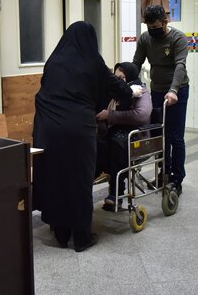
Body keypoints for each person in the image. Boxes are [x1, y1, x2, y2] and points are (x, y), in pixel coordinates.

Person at [32, 21, 137, 252]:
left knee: (56, 178)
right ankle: (81, 237)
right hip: (77, 129)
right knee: (79, 180)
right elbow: (116, 88)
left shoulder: (54, 60)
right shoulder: (92, 60)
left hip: (46, 128)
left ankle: (61, 233)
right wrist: (130, 91)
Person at [132, 4, 189, 195]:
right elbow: (136, 63)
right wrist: (130, 84)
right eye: (149, 27)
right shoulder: (146, 38)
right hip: (156, 91)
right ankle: (163, 172)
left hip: (177, 91)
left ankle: (177, 178)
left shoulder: (177, 38)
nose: (152, 31)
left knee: (175, 136)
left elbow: (180, 66)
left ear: (166, 22)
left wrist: (173, 90)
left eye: (156, 27)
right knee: (159, 135)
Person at [96, 62, 152, 211]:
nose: (119, 81)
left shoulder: (141, 91)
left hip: (136, 136)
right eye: (116, 78)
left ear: (130, 76)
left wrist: (111, 116)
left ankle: (116, 195)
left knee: (116, 147)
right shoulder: (116, 94)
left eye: (121, 77)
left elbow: (142, 115)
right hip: (117, 134)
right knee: (98, 145)